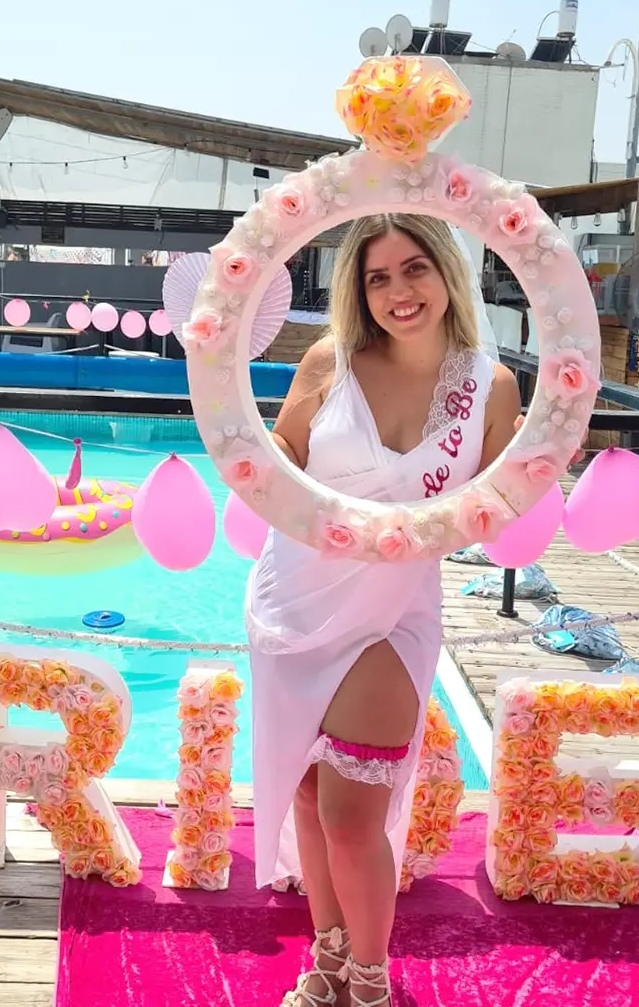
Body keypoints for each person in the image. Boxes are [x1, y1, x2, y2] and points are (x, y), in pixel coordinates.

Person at [245, 213, 523, 1007]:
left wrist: (540, 461)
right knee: (309, 794)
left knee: (351, 812)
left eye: (414, 269)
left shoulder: (491, 387)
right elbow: (284, 450)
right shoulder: (330, 360)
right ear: (359, 291)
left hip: (394, 610)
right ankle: (329, 959)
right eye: (377, 277)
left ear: (446, 273)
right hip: (295, 596)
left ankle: (371, 983)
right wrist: (250, 453)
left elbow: (500, 506)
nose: (399, 291)